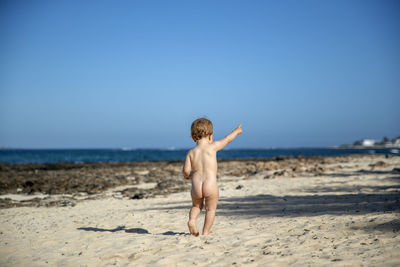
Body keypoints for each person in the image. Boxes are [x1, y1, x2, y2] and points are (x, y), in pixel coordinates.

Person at [183, 118, 242, 236]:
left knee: (196, 206)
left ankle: (192, 220)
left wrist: (186, 176)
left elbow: (186, 170)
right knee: (210, 210)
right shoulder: (213, 146)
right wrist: (236, 131)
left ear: (194, 138)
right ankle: (206, 231)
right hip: (210, 184)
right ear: (210, 136)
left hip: (196, 185)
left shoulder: (191, 152)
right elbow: (227, 139)